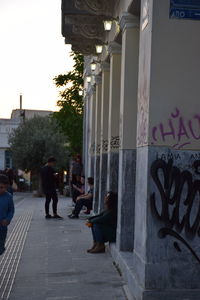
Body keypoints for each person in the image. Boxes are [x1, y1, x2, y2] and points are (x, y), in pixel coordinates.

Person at [0, 174, 15, 255]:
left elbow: (11, 210)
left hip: (2, 226)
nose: (2, 190)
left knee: (1, 248)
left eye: (5, 188)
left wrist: (8, 219)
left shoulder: (8, 196)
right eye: (1, 187)